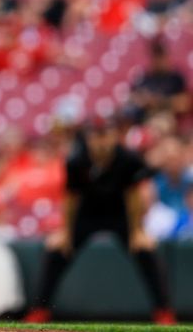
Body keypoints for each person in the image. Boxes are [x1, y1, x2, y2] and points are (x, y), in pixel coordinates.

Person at [24, 117, 176, 325]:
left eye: (104, 135)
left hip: (119, 214)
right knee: (56, 251)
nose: (100, 141)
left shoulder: (128, 159)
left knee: (146, 250)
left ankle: (163, 312)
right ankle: (39, 311)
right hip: (87, 215)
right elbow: (71, 199)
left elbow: (133, 196)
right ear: (88, 139)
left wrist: (137, 231)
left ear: (114, 136)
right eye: (95, 136)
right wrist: (66, 233)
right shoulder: (76, 161)